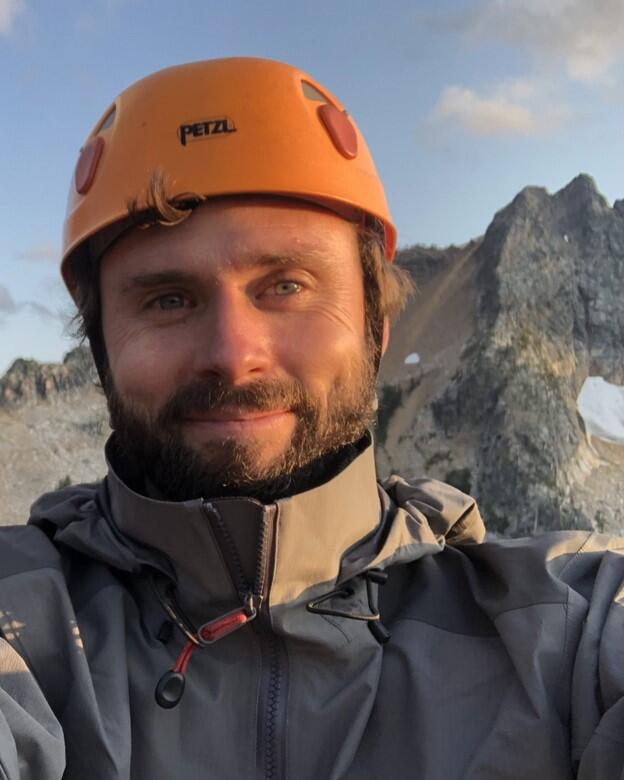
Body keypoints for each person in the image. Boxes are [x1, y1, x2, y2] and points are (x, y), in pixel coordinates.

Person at [0, 57, 622, 780]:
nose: (234, 356)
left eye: (286, 285)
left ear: (377, 326)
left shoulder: (571, 627)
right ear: (101, 349)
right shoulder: (21, 618)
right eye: (168, 298)